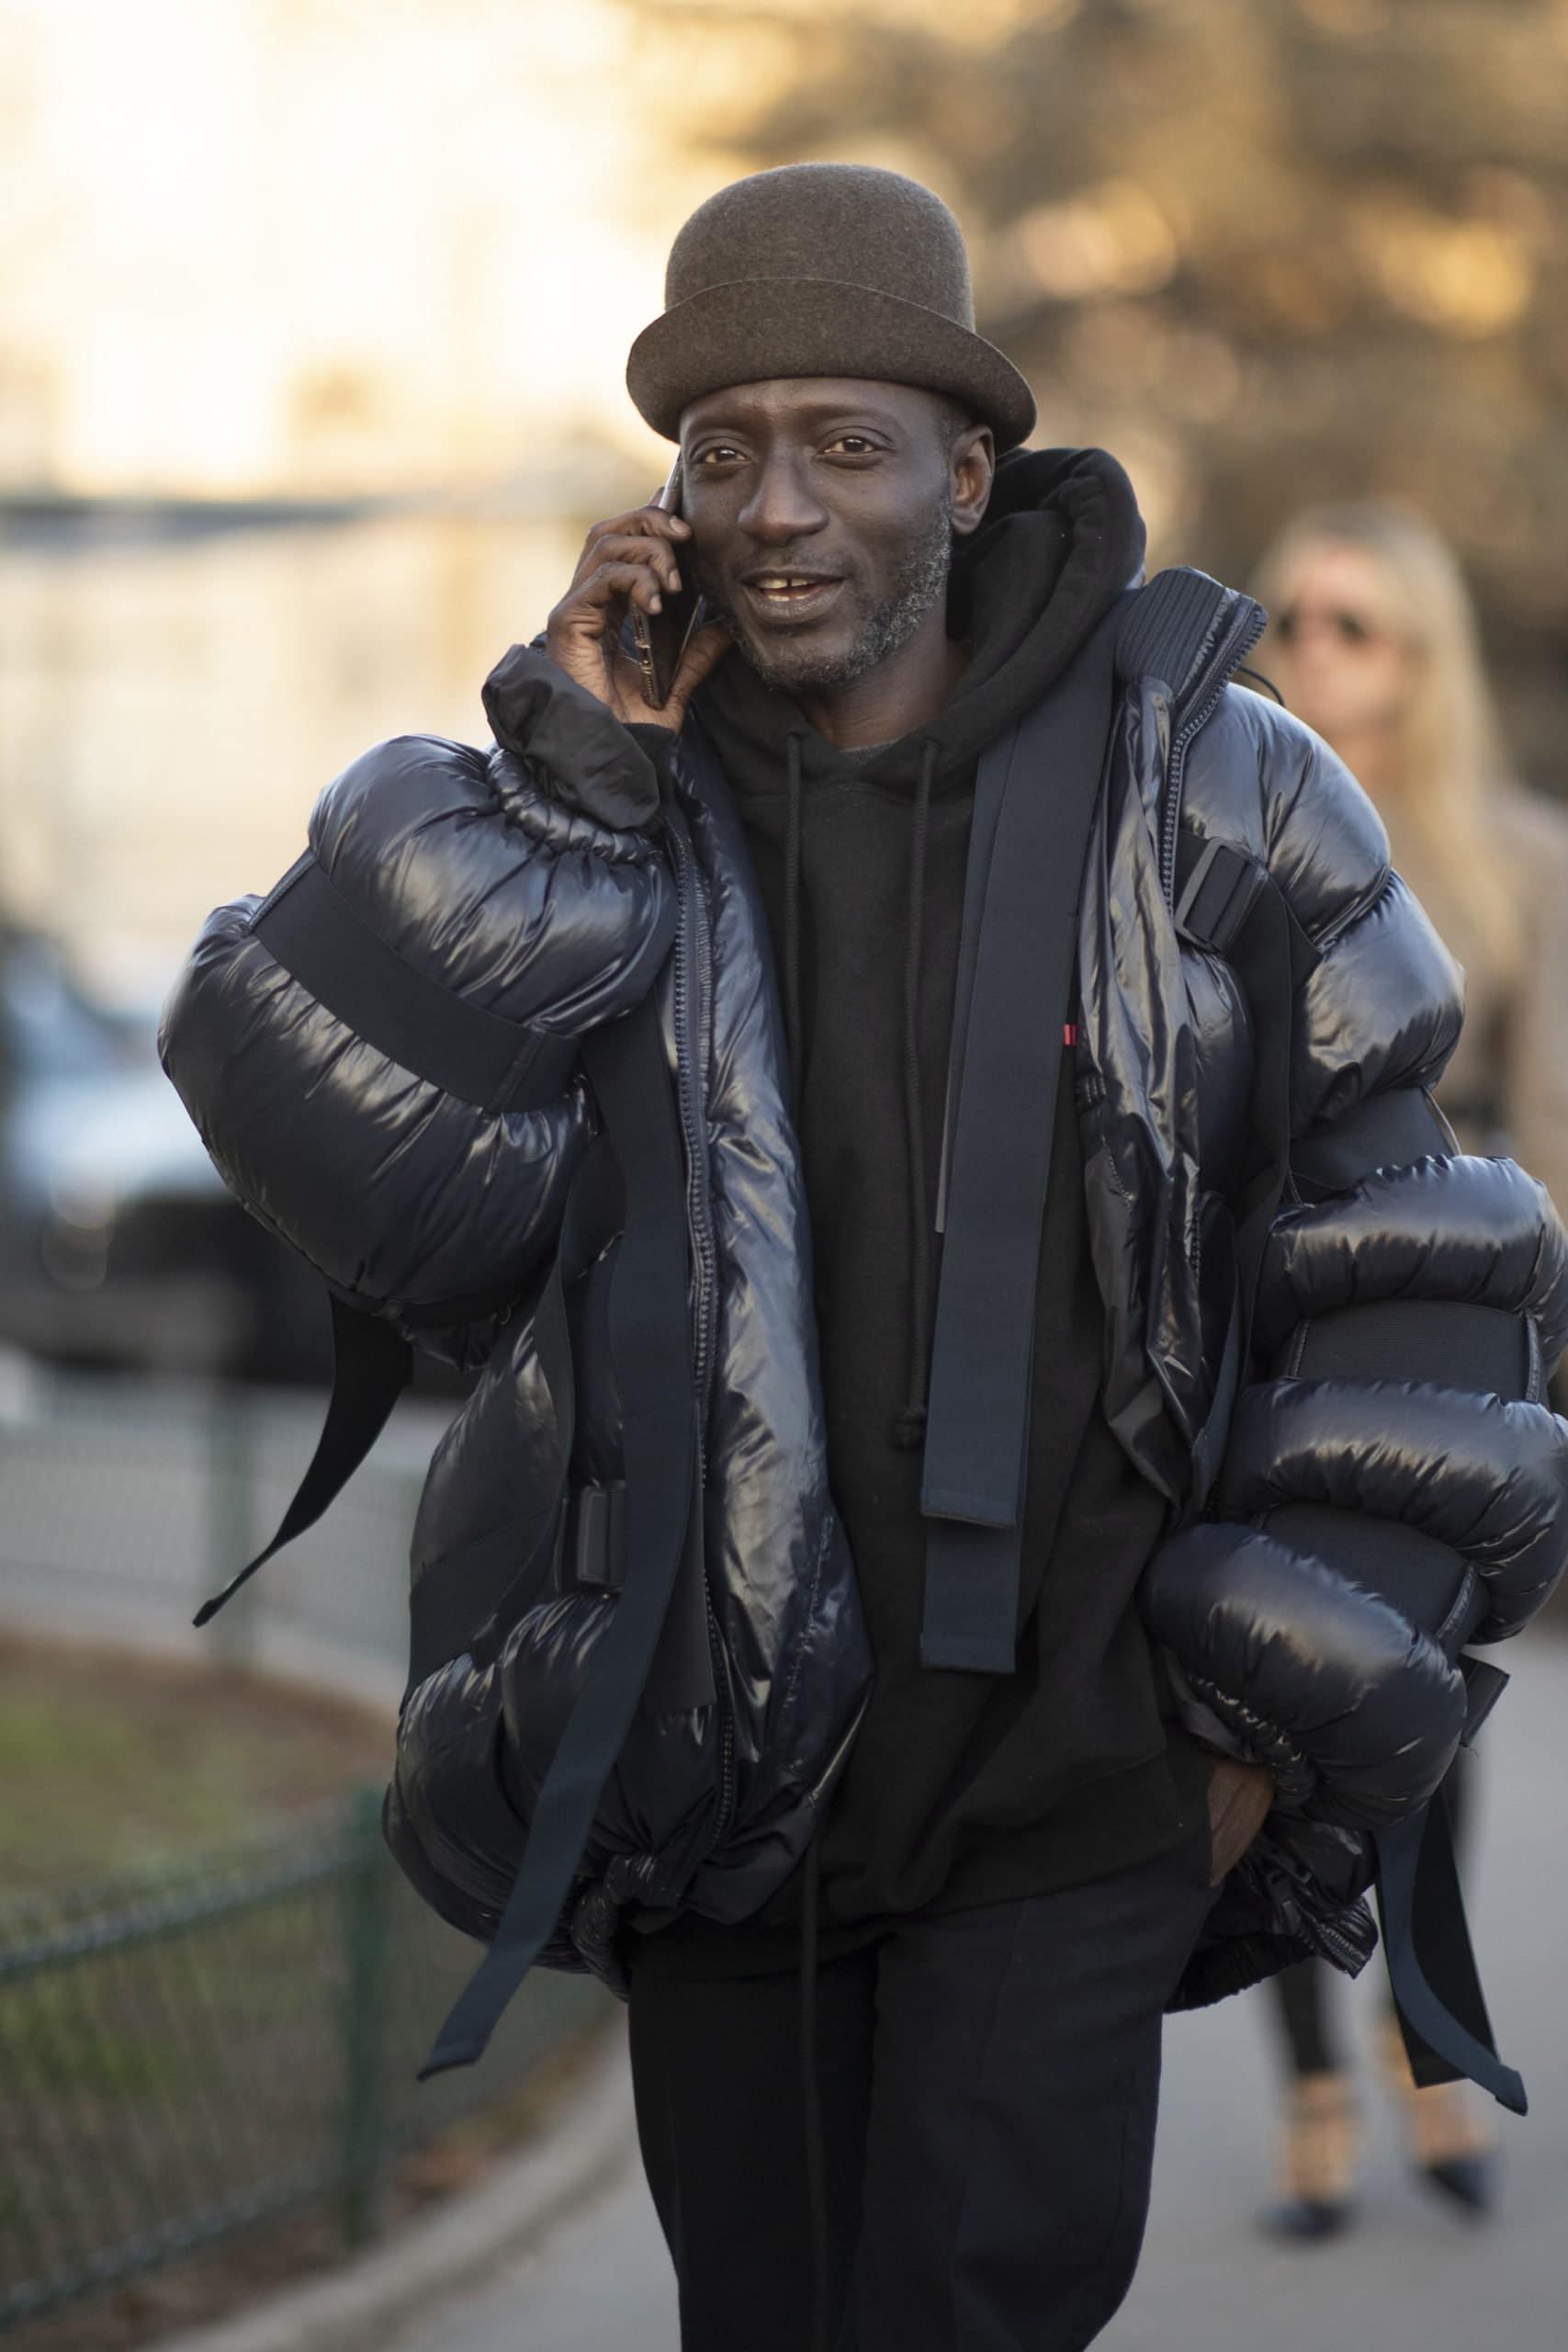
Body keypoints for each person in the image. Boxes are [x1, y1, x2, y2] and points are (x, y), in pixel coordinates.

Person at [158, 164, 1568, 2351]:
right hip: (719, 1775)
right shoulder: (611, 800)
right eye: (722, 452)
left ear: (964, 470)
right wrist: (553, 788)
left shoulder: (1211, 784)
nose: (778, 507)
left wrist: (1247, 1722)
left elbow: (1411, 1263)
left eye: (842, 444)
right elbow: (335, 1147)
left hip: (1079, 1783)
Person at [1248, 500, 1568, 2240]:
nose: (1310, 650)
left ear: (1425, 657)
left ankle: (1431, 2042)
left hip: (1451, 1356)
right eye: (1292, 618)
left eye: (1353, 624)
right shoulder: (1226, 838)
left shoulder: (1523, 860)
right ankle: (1311, 2081)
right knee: (1265, 1707)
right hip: (1266, 1335)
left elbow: (1559, 1139)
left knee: (1428, 1716)